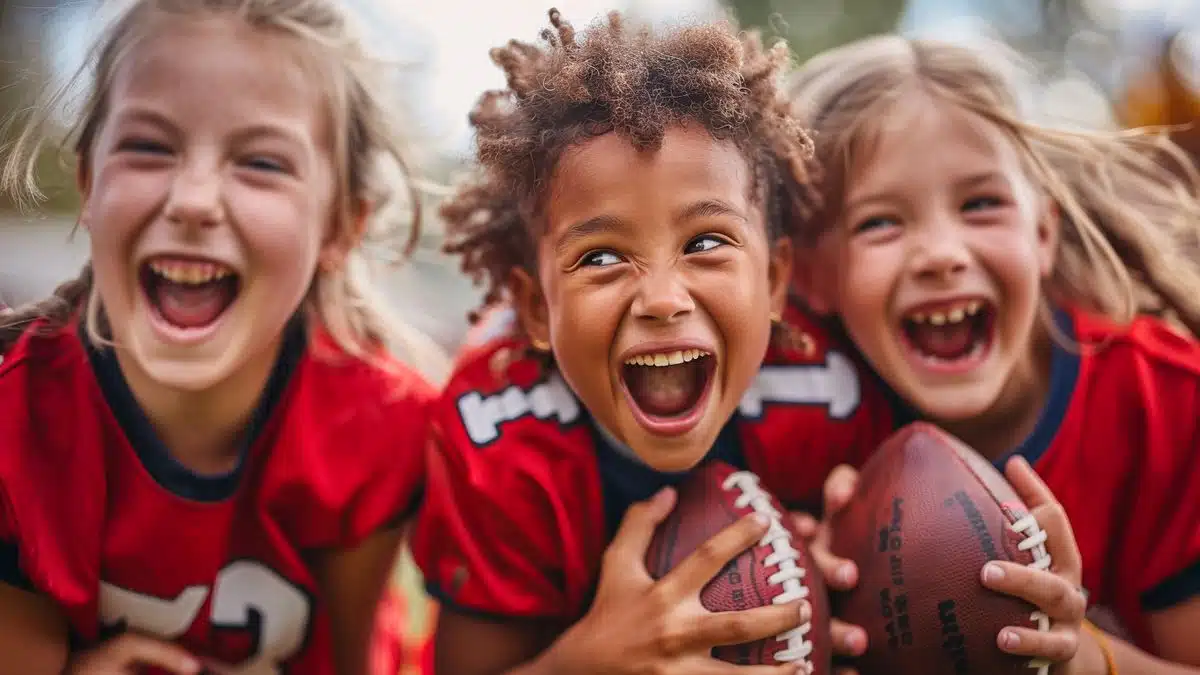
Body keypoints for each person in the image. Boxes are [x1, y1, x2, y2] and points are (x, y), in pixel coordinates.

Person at [411, 8, 944, 674]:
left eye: (706, 242)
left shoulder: (826, 388)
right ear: (534, 309)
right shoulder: (501, 434)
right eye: (602, 257)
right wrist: (583, 662)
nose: (663, 299)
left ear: (776, 280)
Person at [0, 0, 445, 672]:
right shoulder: (17, 415)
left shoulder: (379, 422)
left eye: (261, 162)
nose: (193, 199)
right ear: (90, 185)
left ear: (339, 228)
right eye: (148, 147)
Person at [788, 35, 1200, 673]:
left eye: (981, 204)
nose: (942, 253)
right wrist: (805, 593)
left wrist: (1078, 655)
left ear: (1042, 231)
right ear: (813, 276)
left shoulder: (1166, 400)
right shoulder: (798, 407)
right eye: (880, 222)